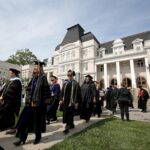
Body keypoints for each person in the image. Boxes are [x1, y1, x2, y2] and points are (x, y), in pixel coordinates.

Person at [14, 61, 50, 146]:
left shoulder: (43, 78)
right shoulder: (33, 78)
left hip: (38, 105)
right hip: (30, 104)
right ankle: (21, 138)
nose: (35, 69)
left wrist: (42, 104)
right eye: (34, 67)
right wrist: (28, 98)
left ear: (40, 68)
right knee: (24, 121)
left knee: (36, 123)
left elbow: (46, 92)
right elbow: (29, 89)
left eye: (36, 67)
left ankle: (38, 137)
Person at [60, 70, 81, 134]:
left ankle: (67, 127)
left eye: (70, 75)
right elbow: (62, 92)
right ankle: (71, 125)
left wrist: (77, 101)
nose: (69, 77)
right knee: (67, 113)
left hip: (72, 101)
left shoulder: (76, 83)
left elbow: (78, 93)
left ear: (73, 76)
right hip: (66, 101)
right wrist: (61, 100)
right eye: (68, 75)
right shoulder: (65, 83)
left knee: (70, 114)